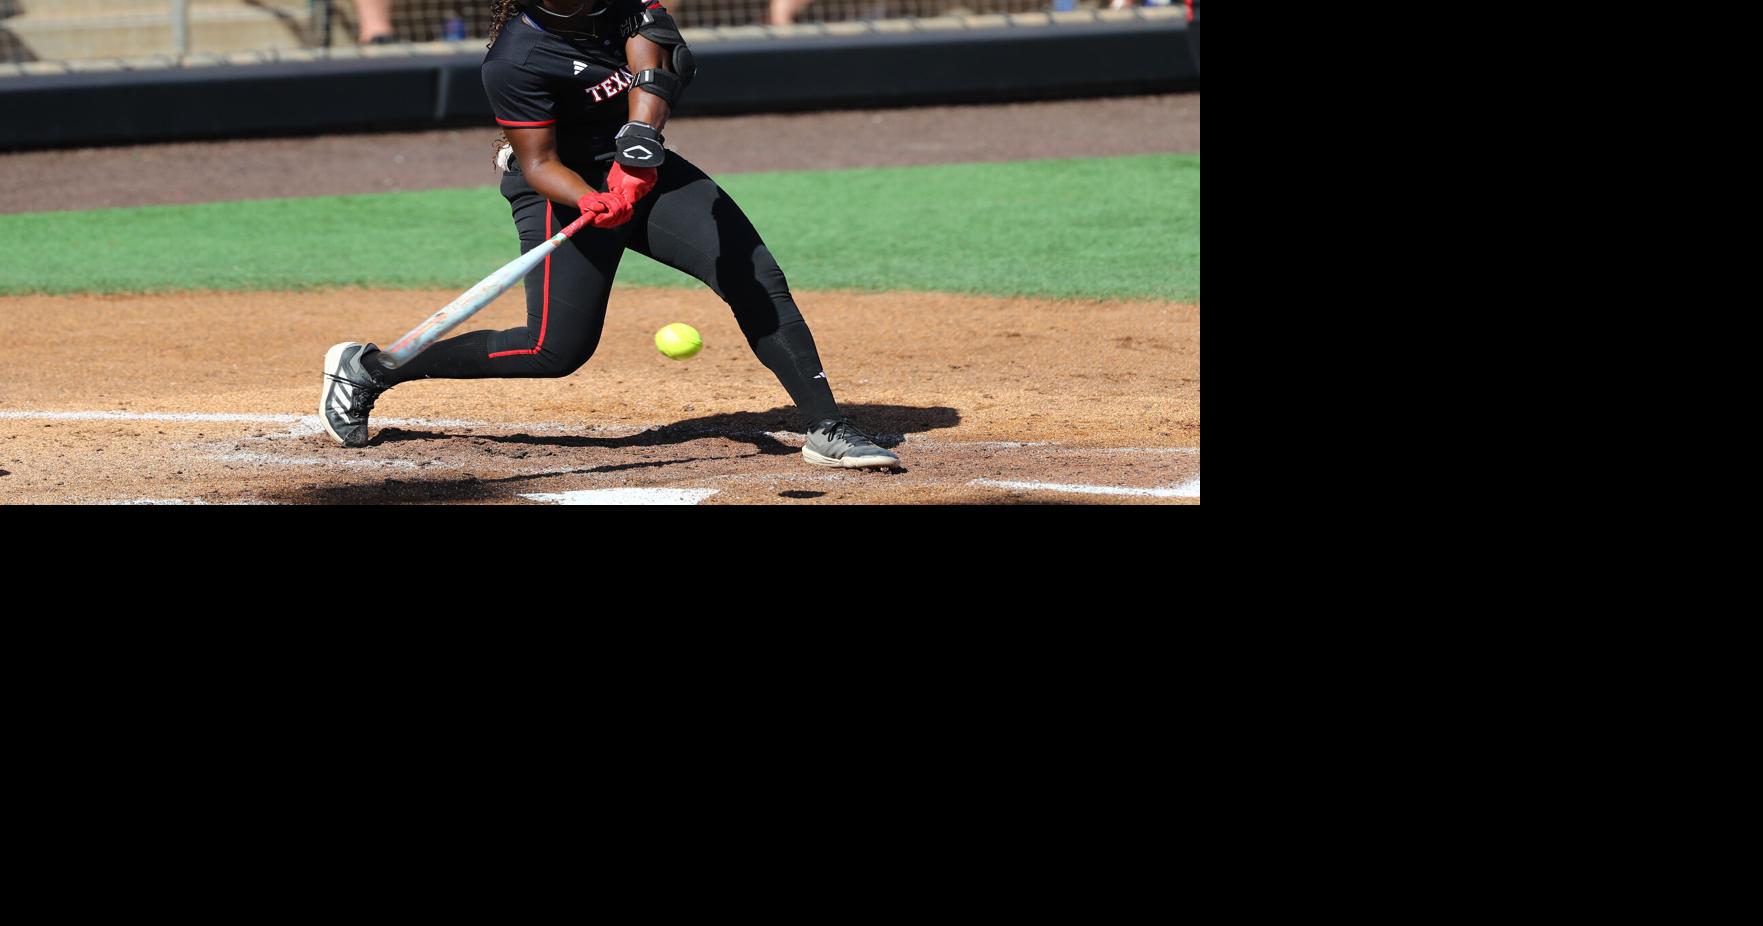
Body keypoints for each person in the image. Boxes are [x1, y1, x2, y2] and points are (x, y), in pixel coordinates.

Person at [319, 0, 900, 469]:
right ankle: (372, 368)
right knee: (554, 349)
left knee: (753, 275)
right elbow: (540, 161)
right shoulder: (515, 60)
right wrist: (592, 198)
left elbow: (664, 61)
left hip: (637, 164)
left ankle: (827, 426)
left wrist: (639, 151)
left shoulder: (617, 2)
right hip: (563, 185)